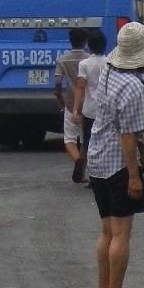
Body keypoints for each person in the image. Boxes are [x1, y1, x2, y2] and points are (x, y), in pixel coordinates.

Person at [87, 20, 144, 288]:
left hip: (97, 156)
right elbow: (128, 136)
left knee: (107, 231)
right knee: (121, 233)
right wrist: (134, 175)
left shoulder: (108, 70)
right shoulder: (133, 87)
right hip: (118, 162)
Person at [68, 28, 110, 187]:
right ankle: (107, 173)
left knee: (89, 144)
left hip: (90, 110)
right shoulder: (110, 63)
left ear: (89, 46)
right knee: (106, 142)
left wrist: (75, 109)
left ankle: (92, 175)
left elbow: (80, 87)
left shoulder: (84, 64)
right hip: (107, 109)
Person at [55, 28, 89, 183]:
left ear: (70, 41)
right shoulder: (88, 59)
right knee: (85, 139)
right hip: (88, 103)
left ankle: (78, 161)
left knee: (69, 139)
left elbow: (57, 82)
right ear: (85, 41)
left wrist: (59, 97)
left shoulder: (63, 60)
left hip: (70, 103)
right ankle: (83, 168)